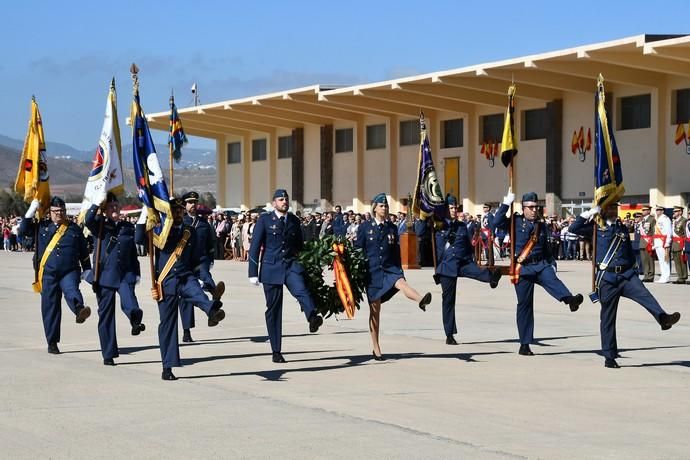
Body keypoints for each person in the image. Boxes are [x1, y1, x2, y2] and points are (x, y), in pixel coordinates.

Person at [569, 204, 681, 368]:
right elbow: (574, 228)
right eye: (611, 208)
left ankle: (663, 318)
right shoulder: (594, 227)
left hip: (626, 275)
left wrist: (634, 269)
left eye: (616, 208)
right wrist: (589, 213)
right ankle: (609, 356)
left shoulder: (621, 227)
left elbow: (627, 249)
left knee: (645, 295)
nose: (614, 212)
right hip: (607, 278)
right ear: (604, 211)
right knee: (608, 317)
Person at [140, 197, 226, 381]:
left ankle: (212, 310)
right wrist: (144, 217)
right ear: (167, 211)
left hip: (186, 276)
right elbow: (140, 239)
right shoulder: (158, 230)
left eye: (180, 210)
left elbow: (198, 260)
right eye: (174, 210)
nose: (178, 213)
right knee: (168, 325)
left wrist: (206, 279)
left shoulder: (190, 231)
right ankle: (168, 366)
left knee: (198, 294)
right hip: (166, 281)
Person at [490, 191, 584, 356]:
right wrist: (505, 204)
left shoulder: (541, 225)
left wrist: (552, 263)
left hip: (541, 264)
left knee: (552, 278)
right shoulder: (514, 221)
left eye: (536, 207)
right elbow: (495, 223)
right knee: (524, 305)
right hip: (523, 268)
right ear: (523, 208)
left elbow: (547, 248)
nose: (534, 210)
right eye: (531, 207)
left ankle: (569, 300)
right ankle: (525, 344)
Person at [248, 189, 324, 364]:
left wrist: (308, 262)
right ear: (274, 202)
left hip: (290, 265)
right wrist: (253, 272)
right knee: (274, 309)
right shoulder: (265, 220)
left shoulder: (294, 220)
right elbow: (255, 246)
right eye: (281, 199)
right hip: (271, 268)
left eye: (286, 199)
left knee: (302, 290)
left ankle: (312, 317)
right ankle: (276, 350)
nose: (284, 201)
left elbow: (299, 245)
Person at [355, 193, 432, 360]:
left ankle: (420, 299)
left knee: (402, 283)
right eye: (382, 205)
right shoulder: (364, 227)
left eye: (387, 206)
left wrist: (400, 272)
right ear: (375, 207)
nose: (385, 208)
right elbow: (357, 250)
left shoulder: (392, 228)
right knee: (375, 312)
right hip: (373, 272)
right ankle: (376, 348)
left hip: (390, 269)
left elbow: (396, 252)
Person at [19, 197, 92, 354]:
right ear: (50, 212)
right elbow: (23, 230)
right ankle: (52, 341)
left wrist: (87, 269)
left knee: (72, 289)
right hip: (48, 273)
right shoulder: (41, 227)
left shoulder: (73, 228)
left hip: (69, 270)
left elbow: (83, 251)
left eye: (62, 211)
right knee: (50, 307)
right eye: (56, 211)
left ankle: (79, 309)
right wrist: (32, 210)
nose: (59, 213)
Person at [84, 193, 145, 366]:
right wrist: (97, 202)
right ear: (105, 210)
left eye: (116, 205)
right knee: (106, 316)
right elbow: (88, 220)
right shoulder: (99, 226)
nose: (115, 208)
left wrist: (136, 272)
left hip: (124, 274)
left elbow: (133, 251)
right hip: (104, 277)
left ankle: (135, 322)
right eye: (111, 206)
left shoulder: (127, 227)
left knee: (130, 302)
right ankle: (108, 353)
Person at [434, 195, 502, 345]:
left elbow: (469, 244)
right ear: (445, 210)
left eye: (455, 208)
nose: (454, 211)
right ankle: (449, 334)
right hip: (446, 266)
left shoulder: (462, 226)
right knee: (449, 301)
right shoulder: (438, 226)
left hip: (462, 262)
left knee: (477, 270)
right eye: (451, 208)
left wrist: (471, 258)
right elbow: (420, 231)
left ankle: (491, 278)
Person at [178, 191, 225, 343]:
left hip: (200, 260)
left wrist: (210, 259)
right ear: (184, 205)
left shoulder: (204, 224)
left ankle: (214, 292)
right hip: (185, 264)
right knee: (186, 298)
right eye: (190, 202)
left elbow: (210, 244)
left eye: (195, 202)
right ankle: (187, 331)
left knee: (205, 274)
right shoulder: (181, 222)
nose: (193, 205)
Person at [653, 205, 672, 284]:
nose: (657, 211)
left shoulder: (665, 219)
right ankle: (663, 276)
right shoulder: (658, 219)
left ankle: (666, 276)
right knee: (661, 261)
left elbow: (668, 231)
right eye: (656, 210)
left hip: (663, 242)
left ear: (662, 211)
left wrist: (668, 242)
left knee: (665, 260)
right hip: (658, 242)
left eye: (659, 210)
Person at [638, 205, 655, 282]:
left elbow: (654, 232)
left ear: (649, 211)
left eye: (645, 210)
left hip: (649, 242)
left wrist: (653, 242)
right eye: (643, 210)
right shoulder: (642, 220)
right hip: (642, 242)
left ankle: (650, 276)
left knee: (650, 260)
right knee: (644, 260)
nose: (643, 211)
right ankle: (646, 275)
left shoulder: (652, 219)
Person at [671, 206, 687, 284]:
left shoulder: (684, 220)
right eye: (674, 211)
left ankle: (683, 277)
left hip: (680, 243)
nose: (674, 213)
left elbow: (685, 233)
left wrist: (684, 245)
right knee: (676, 261)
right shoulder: (674, 221)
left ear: (680, 212)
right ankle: (679, 276)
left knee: (681, 261)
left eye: (676, 211)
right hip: (674, 243)